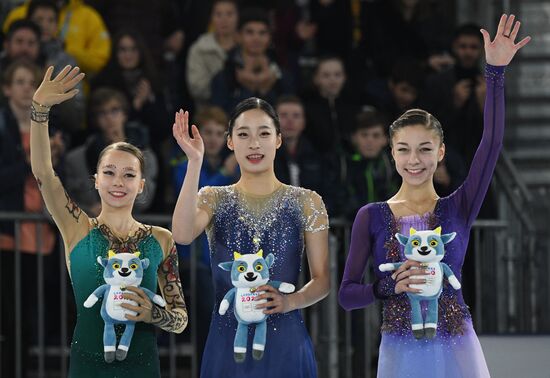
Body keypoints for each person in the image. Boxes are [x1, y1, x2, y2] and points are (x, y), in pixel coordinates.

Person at [338, 14, 530, 377]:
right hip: (401, 349)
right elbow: (347, 296)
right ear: (391, 153)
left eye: (425, 149)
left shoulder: (459, 205)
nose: (415, 160)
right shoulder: (371, 216)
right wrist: (387, 285)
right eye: (405, 150)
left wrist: (495, 72)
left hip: (457, 346)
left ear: (440, 153)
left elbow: (491, 143)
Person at [30, 65, 187, 377]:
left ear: (141, 184)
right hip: (88, 368)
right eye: (110, 173)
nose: (119, 181)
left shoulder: (161, 239)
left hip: (142, 368)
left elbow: (180, 318)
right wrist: (39, 111)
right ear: (96, 180)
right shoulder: (77, 227)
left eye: (129, 174)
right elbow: (44, 175)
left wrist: (153, 314)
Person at [171, 97, 330, 377]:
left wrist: (290, 301)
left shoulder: (307, 201)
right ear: (230, 141)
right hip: (227, 345)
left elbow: (323, 281)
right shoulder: (214, 197)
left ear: (278, 140)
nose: (254, 143)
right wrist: (195, 162)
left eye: (264, 133)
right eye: (243, 134)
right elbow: (182, 235)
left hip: (286, 344)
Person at [64, 87, 158, 216]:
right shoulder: (77, 159)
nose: (109, 118)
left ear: (124, 114)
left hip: (131, 229)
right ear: (96, 119)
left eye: (114, 111)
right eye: (102, 113)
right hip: (90, 228)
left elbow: (145, 199)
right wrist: (88, 210)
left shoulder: (145, 156)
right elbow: (66, 201)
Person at [186, 0, 238, 108]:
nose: (224, 20)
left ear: (237, 17)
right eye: (218, 14)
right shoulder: (199, 48)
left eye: (229, 14)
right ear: (211, 18)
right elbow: (197, 88)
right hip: (210, 111)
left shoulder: (248, 44)